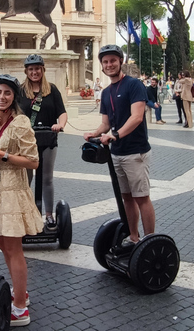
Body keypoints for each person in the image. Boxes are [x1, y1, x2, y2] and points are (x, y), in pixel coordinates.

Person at [0, 74, 42, 327]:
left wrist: (3, 155)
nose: (2, 97)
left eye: (7, 93)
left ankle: (21, 308)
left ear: (14, 97)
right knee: (2, 243)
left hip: (12, 191)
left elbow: (33, 161)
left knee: (14, 249)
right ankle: (19, 292)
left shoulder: (21, 122)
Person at [83, 45, 156, 247]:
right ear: (102, 65)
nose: (109, 65)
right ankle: (134, 237)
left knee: (141, 197)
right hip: (117, 152)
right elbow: (105, 123)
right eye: (105, 62)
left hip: (136, 151)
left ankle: (150, 242)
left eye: (113, 60)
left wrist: (115, 135)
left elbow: (137, 117)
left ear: (120, 61)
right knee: (127, 198)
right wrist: (95, 133)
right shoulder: (106, 92)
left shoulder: (134, 85)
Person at [18, 54, 67, 230]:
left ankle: (48, 215)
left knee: (47, 178)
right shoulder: (20, 91)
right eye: (31, 69)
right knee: (26, 178)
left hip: (48, 139)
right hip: (26, 142)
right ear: (26, 71)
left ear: (43, 70)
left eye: (37, 68)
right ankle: (27, 213)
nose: (34, 72)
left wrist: (59, 124)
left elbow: (62, 111)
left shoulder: (51, 90)